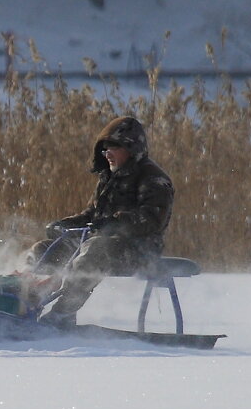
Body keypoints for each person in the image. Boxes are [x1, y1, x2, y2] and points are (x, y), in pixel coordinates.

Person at [28, 115, 174, 328]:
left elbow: (152, 220)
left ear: (131, 149)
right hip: (101, 243)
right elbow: (91, 215)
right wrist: (63, 225)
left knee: (95, 250)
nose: (107, 156)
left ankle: (62, 314)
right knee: (43, 249)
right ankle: (25, 303)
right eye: (104, 151)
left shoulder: (154, 179)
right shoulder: (109, 178)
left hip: (139, 250)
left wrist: (115, 223)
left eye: (113, 149)